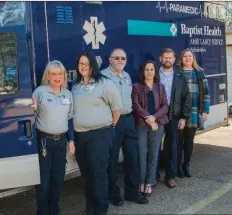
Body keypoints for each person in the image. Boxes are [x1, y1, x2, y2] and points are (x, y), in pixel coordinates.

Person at [72, 51, 123, 215]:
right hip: (81, 136)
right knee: (86, 175)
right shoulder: (75, 86)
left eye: (86, 64)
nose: (83, 67)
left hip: (100, 135)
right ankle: (90, 208)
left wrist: (110, 127)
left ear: (93, 65)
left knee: (99, 174)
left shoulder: (105, 84)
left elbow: (117, 108)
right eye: (80, 64)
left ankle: (101, 209)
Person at [101, 48, 148, 206]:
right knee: (112, 159)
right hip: (112, 121)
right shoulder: (103, 77)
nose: (120, 60)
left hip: (128, 119)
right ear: (110, 59)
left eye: (123, 58)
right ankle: (113, 194)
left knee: (132, 158)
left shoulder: (127, 76)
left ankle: (132, 193)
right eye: (117, 58)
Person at [31, 60, 75, 215]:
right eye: (53, 74)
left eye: (60, 74)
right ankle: (42, 211)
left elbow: (70, 119)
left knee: (58, 179)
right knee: (44, 181)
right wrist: (33, 110)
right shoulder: (40, 92)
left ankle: (54, 209)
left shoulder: (68, 94)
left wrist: (71, 140)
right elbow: (30, 118)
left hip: (61, 142)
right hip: (44, 142)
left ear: (64, 76)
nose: (57, 77)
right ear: (47, 76)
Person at [132, 60, 168, 197]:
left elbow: (165, 106)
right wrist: (148, 118)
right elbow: (136, 106)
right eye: (146, 69)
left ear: (155, 71)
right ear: (143, 71)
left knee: (153, 154)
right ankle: (141, 181)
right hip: (142, 125)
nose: (149, 72)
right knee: (141, 154)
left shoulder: (160, 87)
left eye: (152, 69)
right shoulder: (137, 87)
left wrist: (154, 118)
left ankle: (150, 182)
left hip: (157, 125)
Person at [157, 48, 191, 188]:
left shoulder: (180, 75)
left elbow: (186, 98)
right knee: (155, 146)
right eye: (165, 57)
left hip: (174, 114)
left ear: (174, 59)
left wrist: (184, 117)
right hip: (157, 114)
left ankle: (170, 176)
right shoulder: (154, 74)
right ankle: (154, 175)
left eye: (170, 57)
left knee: (172, 146)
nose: (167, 60)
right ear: (160, 58)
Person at [176, 48, 210, 178]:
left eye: (190, 56)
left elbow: (206, 93)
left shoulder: (199, 72)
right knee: (178, 141)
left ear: (193, 58)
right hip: (179, 113)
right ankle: (178, 166)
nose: (187, 58)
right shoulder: (177, 72)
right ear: (182, 58)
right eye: (185, 56)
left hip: (195, 111)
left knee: (189, 141)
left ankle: (186, 165)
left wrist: (205, 111)